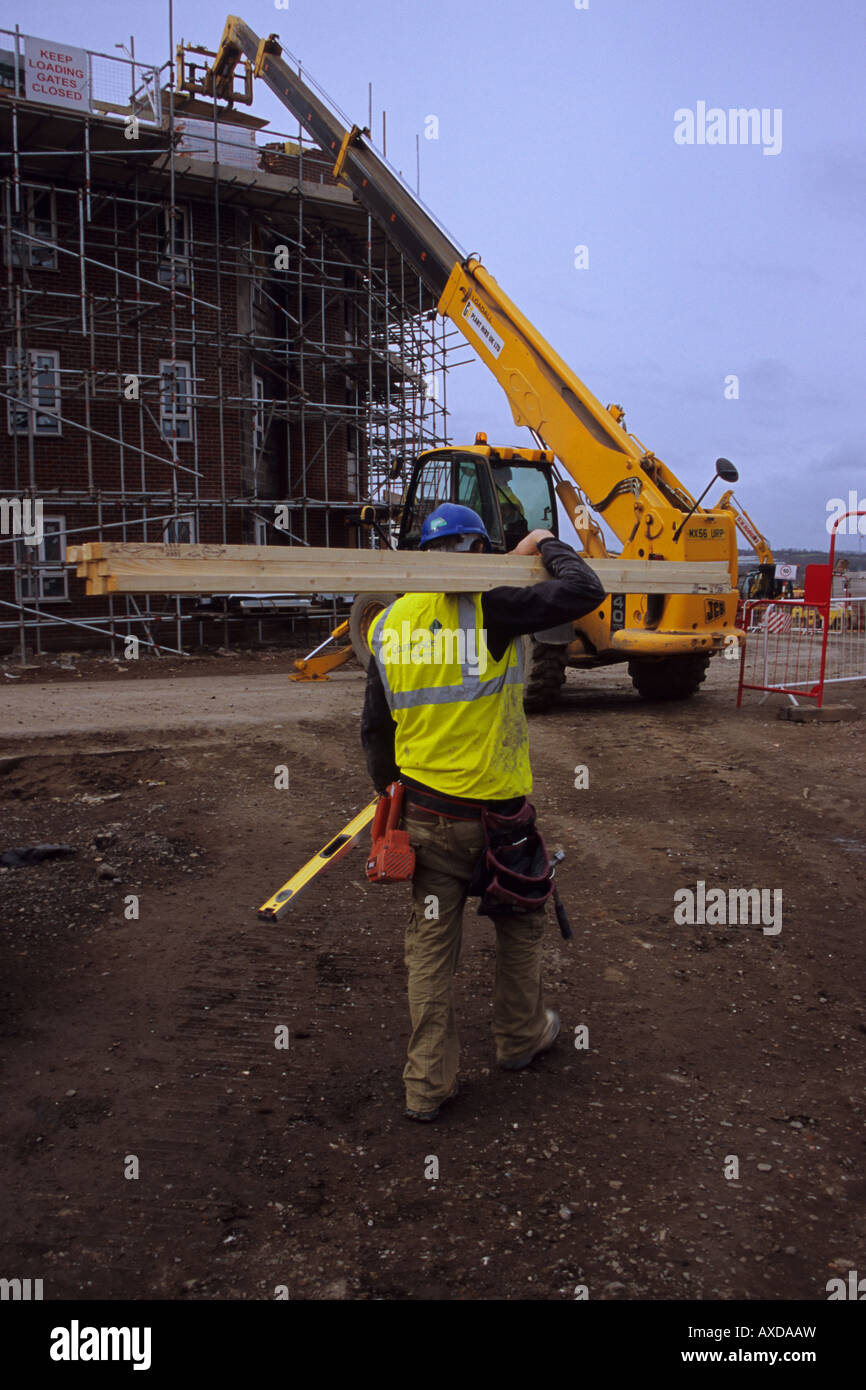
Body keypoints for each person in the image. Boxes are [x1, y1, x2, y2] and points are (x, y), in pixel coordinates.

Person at [361, 502, 605, 1121]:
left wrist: (390, 794)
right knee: (520, 926)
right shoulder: (493, 609)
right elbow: (584, 588)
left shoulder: (389, 623)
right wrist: (546, 543)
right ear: (478, 551)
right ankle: (520, 1040)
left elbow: (374, 732)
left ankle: (426, 1087)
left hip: (425, 816)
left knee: (431, 950)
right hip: (499, 822)